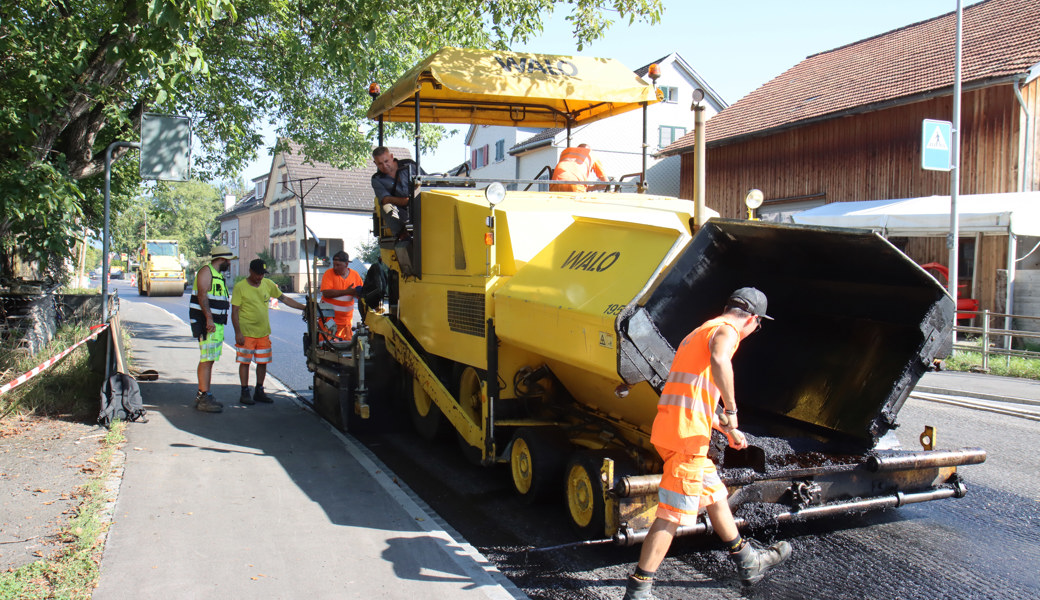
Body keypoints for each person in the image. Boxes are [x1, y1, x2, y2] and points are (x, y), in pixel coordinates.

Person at [622, 287, 791, 599]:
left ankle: (747, 561)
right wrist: (732, 411)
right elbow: (720, 360)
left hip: (677, 429)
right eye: (759, 324)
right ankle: (638, 589)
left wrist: (726, 429)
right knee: (671, 514)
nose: (756, 329)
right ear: (752, 319)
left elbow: (692, 394)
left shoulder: (698, 332)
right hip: (686, 438)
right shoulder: (726, 331)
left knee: (714, 495)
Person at [230, 258, 305, 405]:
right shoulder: (240, 287)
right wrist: (238, 332)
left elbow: (284, 298)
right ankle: (244, 391)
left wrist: (304, 307)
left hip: (263, 332)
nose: (260, 277)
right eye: (257, 274)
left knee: (263, 362)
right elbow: (234, 311)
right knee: (245, 362)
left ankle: (259, 390)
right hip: (246, 333)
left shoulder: (268, 284)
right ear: (250, 271)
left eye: (262, 274)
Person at [189, 245, 236, 413]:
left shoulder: (216, 274)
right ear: (222, 259)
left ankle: (205, 393)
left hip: (215, 324)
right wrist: (209, 318)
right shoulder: (206, 272)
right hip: (208, 324)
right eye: (228, 261)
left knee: (210, 358)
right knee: (207, 359)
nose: (230, 264)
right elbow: (202, 295)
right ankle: (204, 396)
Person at [371, 146, 426, 236]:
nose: (384, 166)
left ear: (392, 157)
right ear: (375, 163)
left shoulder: (410, 165)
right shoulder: (376, 179)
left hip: (421, 204)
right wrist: (406, 201)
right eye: (380, 164)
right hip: (401, 212)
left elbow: (427, 184)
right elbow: (385, 200)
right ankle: (402, 236)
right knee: (386, 207)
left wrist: (393, 199)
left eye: (386, 161)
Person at [319, 250, 364, 341]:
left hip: (346, 322)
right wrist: (347, 291)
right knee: (327, 347)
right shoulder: (329, 273)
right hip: (328, 321)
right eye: (334, 265)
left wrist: (356, 293)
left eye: (338, 265)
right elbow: (326, 293)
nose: (335, 268)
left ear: (346, 264)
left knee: (346, 348)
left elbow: (361, 295)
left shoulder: (355, 275)